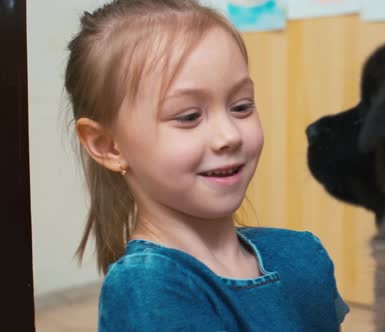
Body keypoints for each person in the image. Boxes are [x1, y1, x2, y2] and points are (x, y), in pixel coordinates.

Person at [65, 0, 349, 331]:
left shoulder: (301, 255)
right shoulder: (147, 287)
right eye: (189, 116)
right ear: (108, 146)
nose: (229, 136)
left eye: (241, 107)